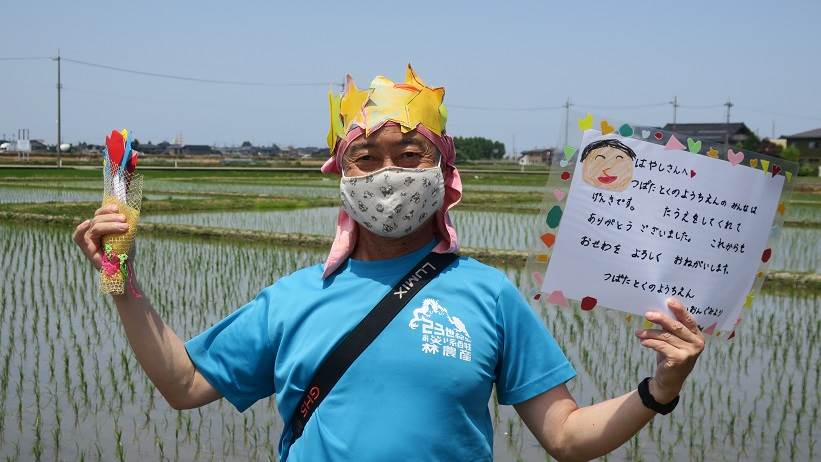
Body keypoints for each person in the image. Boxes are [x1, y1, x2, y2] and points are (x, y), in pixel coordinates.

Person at [73, 65, 704, 461]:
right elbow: (184, 386)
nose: (390, 174)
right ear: (340, 174)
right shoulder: (296, 297)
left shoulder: (488, 295)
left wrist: (660, 389)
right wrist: (122, 282)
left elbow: (566, 438)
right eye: (366, 158)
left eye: (409, 153)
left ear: (443, 170)